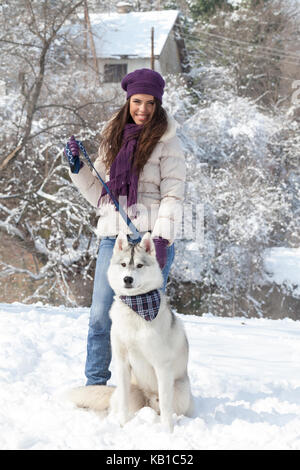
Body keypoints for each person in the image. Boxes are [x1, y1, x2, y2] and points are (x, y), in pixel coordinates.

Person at [64, 68, 186, 386]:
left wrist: (160, 238)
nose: (143, 109)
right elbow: (100, 195)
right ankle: (95, 384)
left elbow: (173, 194)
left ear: (158, 104)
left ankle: (141, 385)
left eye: (149, 103)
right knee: (100, 314)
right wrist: (77, 168)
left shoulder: (168, 142)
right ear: (128, 100)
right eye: (137, 101)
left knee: (145, 321)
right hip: (114, 239)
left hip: (150, 242)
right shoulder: (114, 137)